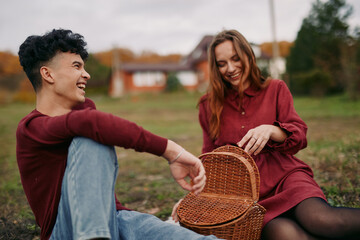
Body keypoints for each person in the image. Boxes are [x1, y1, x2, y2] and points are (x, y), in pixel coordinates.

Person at [16, 29, 220, 240]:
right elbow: (91, 124)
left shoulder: (84, 112)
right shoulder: (31, 128)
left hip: (115, 220)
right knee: (91, 137)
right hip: (64, 232)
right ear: (48, 74)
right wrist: (172, 151)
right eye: (76, 66)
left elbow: (90, 123)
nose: (86, 74)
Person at [172, 29, 360, 240]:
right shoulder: (208, 105)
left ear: (248, 56)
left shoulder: (275, 89)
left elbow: (299, 138)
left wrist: (272, 129)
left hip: (286, 177)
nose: (231, 68)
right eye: (222, 63)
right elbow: (211, 161)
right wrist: (194, 200)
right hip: (248, 196)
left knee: (322, 220)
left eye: (236, 59)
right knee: (284, 234)